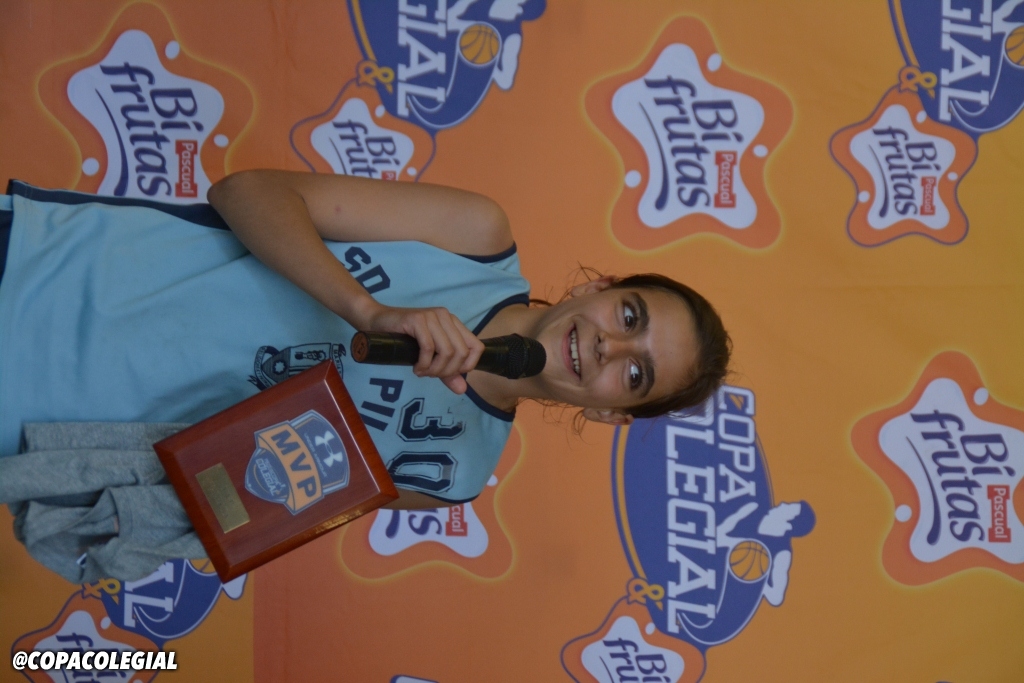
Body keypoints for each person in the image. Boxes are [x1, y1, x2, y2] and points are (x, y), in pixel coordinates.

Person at [0, 170, 730, 581]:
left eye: (635, 374)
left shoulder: (451, 474)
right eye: (628, 315)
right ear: (598, 287)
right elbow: (244, 192)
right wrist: (368, 311)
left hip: (31, 417)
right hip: (45, 269)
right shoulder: (475, 238)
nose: (607, 347)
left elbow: (221, 493)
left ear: (609, 414)